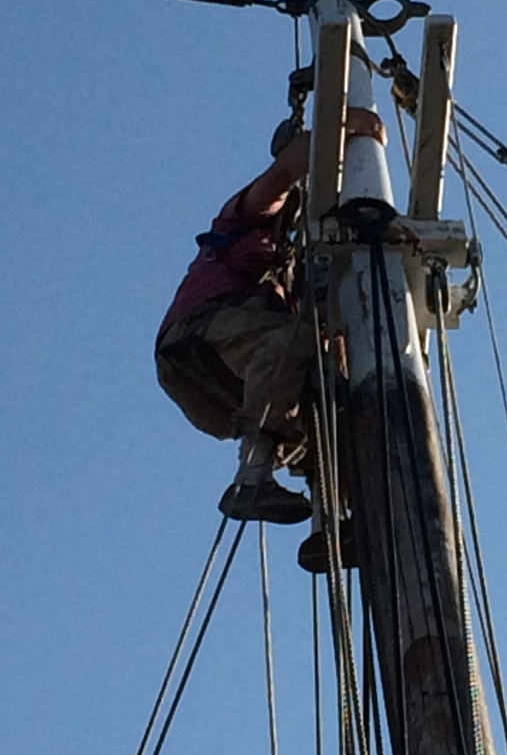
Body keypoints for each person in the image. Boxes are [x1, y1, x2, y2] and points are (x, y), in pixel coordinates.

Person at [155, 108, 386, 525]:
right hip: (197, 336)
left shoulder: (294, 282)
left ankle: (337, 523)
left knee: (332, 393)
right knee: (299, 340)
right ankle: (253, 476)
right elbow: (285, 172)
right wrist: (347, 126)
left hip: (229, 392)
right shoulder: (247, 218)